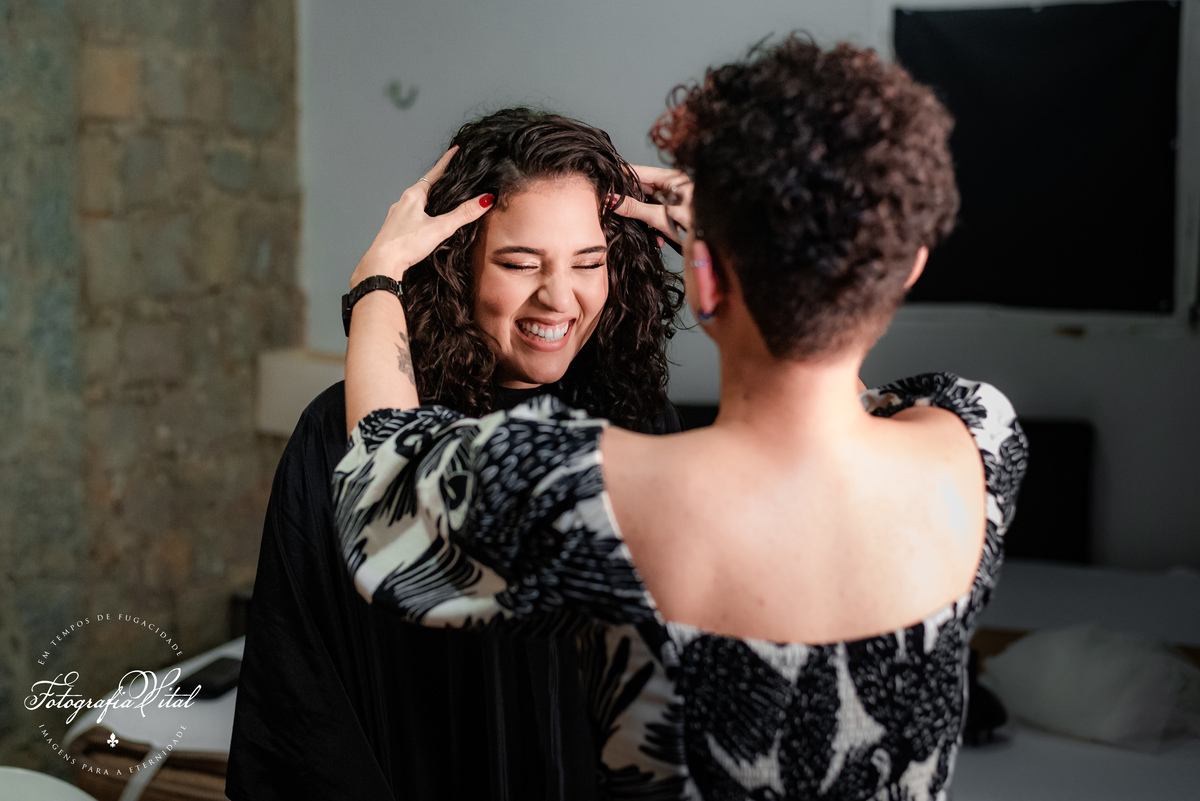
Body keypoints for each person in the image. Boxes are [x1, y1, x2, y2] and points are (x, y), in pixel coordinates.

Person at [332, 36, 1028, 800]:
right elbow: (847, 390)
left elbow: (380, 485)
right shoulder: (980, 436)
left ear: (703, 279)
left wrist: (376, 283)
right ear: (910, 266)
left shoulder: (602, 496)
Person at [227, 108, 684, 801]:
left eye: (589, 262)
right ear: (453, 259)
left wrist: (376, 278)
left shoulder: (636, 420)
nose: (560, 297)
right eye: (520, 262)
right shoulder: (335, 428)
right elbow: (302, 694)